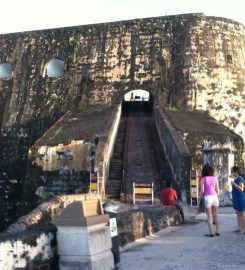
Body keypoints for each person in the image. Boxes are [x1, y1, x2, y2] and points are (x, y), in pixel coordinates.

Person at [201, 164, 220, 237]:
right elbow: (217, 190)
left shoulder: (203, 179)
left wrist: (200, 199)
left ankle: (211, 232)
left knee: (209, 216)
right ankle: (217, 231)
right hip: (215, 197)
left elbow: (202, 191)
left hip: (207, 197)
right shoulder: (215, 178)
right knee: (216, 215)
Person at [230, 166, 245, 234]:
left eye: (232, 171)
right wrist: (233, 177)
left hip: (240, 198)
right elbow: (230, 176)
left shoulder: (240, 179)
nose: (231, 173)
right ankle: (239, 227)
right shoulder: (236, 178)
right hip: (236, 198)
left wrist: (234, 184)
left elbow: (241, 189)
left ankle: (243, 228)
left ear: (236, 172)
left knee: (241, 214)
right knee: (237, 213)